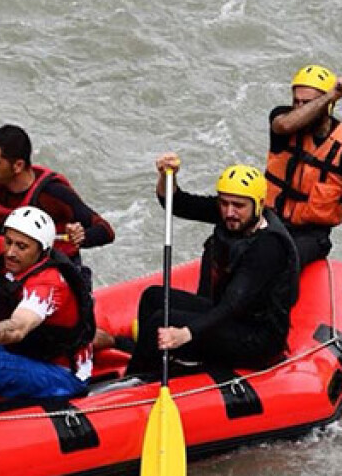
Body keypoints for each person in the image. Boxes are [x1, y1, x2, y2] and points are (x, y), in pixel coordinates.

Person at [125, 157, 299, 377]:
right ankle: (152, 361)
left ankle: (135, 380)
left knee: (160, 320)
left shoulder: (269, 246)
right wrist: (167, 176)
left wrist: (186, 334)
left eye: (238, 206)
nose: (229, 212)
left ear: (259, 205)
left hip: (256, 339)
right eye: (224, 203)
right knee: (153, 297)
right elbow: (177, 203)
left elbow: (233, 303)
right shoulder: (231, 216)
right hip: (232, 320)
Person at [0, 198, 96, 410]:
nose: (11, 251)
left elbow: (16, 329)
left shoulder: (47, 285)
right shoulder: (13, 253)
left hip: (62, 371)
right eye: (8, 241)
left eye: (21, 246)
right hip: (28, 350)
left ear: (41, 250)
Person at [0, 124, 115, 320]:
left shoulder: (53, 194)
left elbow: (106, 231)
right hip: (19, 278)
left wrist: (82, 237)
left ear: (18, 166)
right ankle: (16, 335)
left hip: (58, 281)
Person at [266, 64, 342, 268]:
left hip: (310, 235)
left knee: (283, 260)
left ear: (326, 106)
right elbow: (284, 126)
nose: (299, 107)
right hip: (271, 221)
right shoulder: (283, 120)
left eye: (307, 103)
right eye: (296, 101)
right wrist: (333, 94)